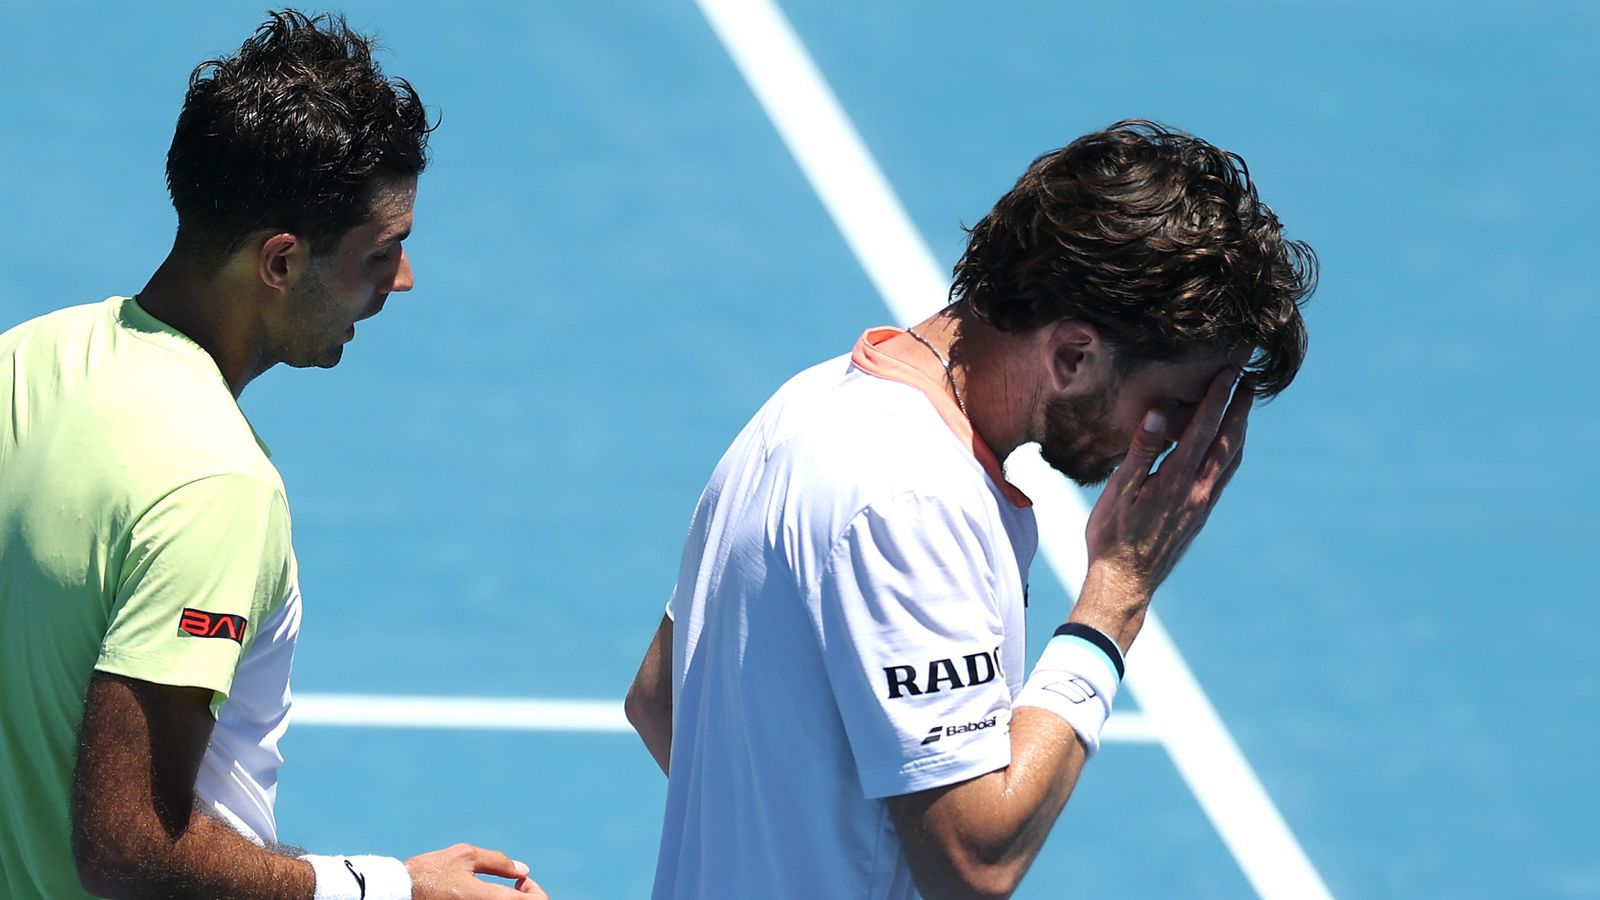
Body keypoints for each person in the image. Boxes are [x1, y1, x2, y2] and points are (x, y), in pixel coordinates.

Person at [626, 120, 1318, 899]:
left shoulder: (805, 405)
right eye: (1176, 404)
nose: (1170, 446)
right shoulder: (915, 503)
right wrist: (1118, 592)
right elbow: (975, 863)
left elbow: (660, 697)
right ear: (1073, 356)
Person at [0, 11, 544, 899]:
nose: (400, 280)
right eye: (382, 251)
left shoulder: (26, 359)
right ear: (282, 262)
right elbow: (129, 847)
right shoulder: (215, 487)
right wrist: (390, 888)